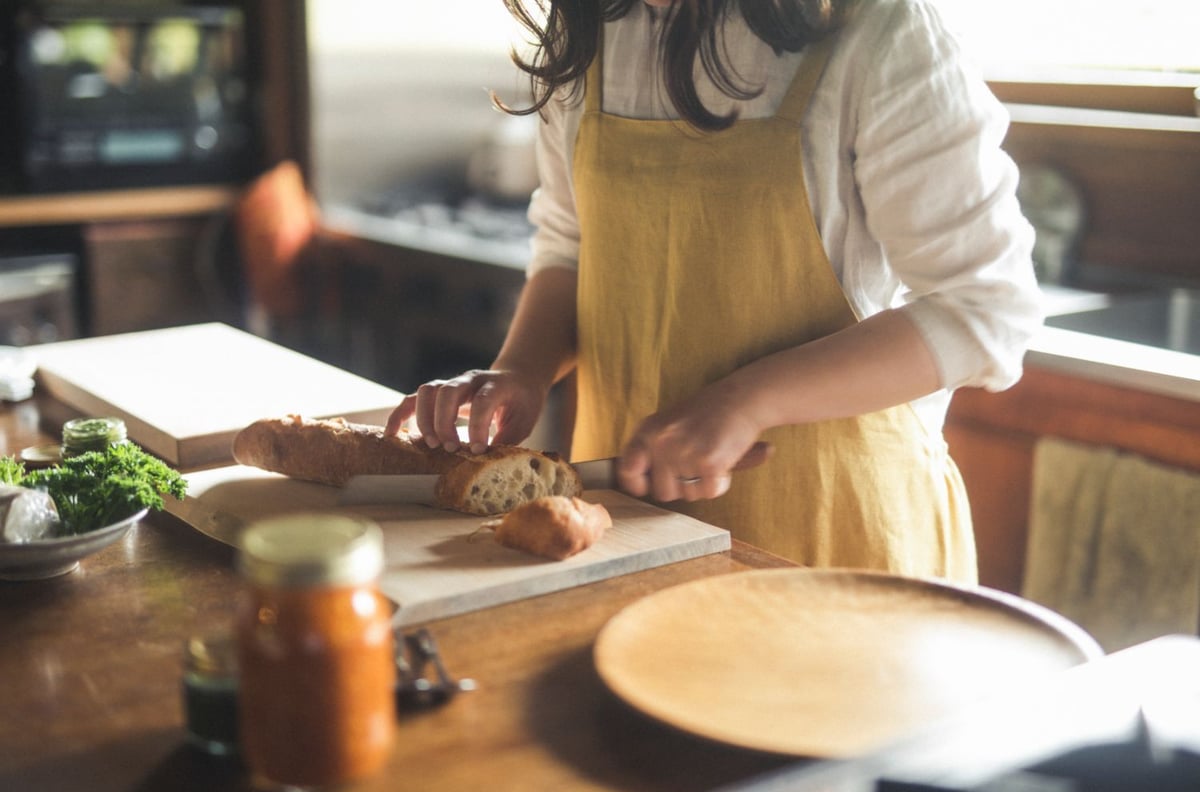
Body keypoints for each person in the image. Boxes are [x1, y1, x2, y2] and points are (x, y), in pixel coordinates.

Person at [385, 0, 1042, 583]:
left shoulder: (880, 31)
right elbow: (570, 245)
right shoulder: (587, 28)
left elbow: (986, 310)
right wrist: (519, 372)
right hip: (631, 532)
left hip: (838, 547)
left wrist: (746, 402)